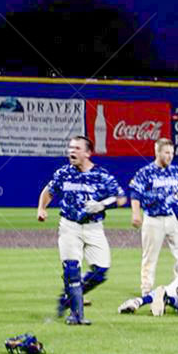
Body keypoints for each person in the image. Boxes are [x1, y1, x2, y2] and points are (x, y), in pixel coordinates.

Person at [37, 135, 126, 325]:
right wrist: (41, 208)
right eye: (70, 148)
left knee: (101, 270)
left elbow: (120, 198)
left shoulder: (101, 175)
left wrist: (102, 205)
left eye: (77, 148)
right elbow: (49, 191)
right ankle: (76, 315)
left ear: (88, 153)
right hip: (69, 226)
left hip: (94, 228)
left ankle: (67, 297)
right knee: (72, 269)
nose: (72, 151)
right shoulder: (64, 173)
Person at [128, 138, 178, 296]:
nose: (170, 156)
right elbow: (135, 193)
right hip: (153, 220)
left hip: (173, 219)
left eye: (172, 153)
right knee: (150, 258)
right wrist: (136, 213)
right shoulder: (146, 172)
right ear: (157, 152)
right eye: (166, 152)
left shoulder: (175, 171)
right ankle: (146, 290)